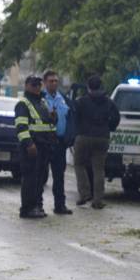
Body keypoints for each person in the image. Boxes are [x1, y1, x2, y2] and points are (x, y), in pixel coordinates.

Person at [72, 75, 121, 209]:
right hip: (102, 137)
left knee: (79, 165)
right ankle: (98, 200)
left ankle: (84, 194)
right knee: (98, 169)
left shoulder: (81, 101)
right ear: (101, 86)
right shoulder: (109, 102)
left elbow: (74, 117)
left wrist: (77, 131)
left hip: (83, 137)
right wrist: (109, 128)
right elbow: (116, 118)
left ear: (88, 87)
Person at [14, 75, 58, 219]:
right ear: (26, 86)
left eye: (39, 85)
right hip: (31, 147)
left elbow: (47, 124)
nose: (37, 87)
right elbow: (21, 126)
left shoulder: (42, 102)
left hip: (44, 147)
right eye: (34, 85)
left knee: (40, 178)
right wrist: (29, 144)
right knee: (30, 179)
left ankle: (37, 206)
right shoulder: (23, 104)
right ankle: (27, 208)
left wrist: (53, 118)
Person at [41, 70, 75, 214]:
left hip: (60, 143)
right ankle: (37, 204)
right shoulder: (41, 99)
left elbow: (71, 119)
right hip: (44, 142)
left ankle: (60, 205)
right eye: (51, 81)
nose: (54, 83)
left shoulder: (64, 99)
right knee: (41, 175)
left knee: (59, 176)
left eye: (56, 81)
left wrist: (69, 137)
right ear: (45, 82)